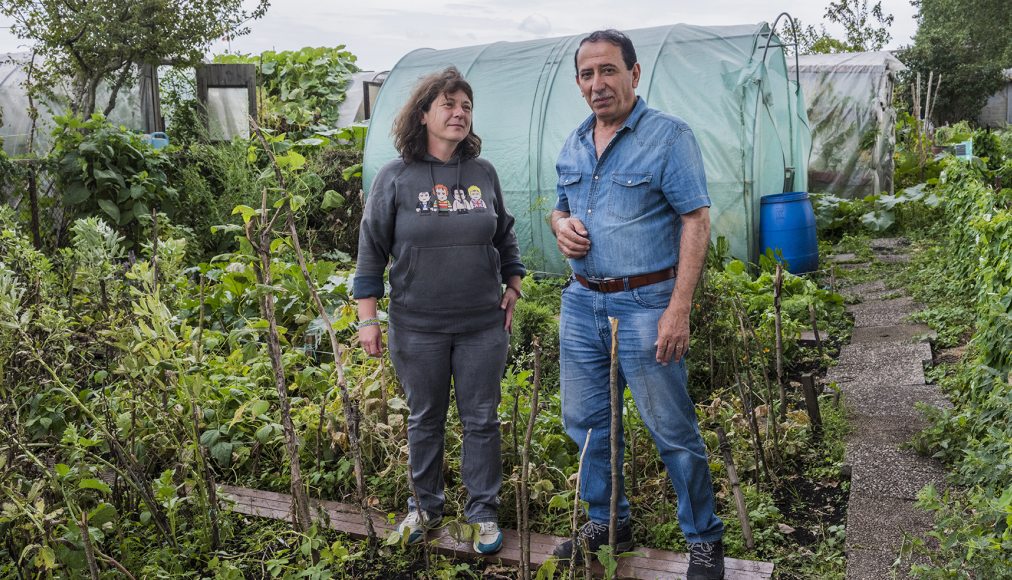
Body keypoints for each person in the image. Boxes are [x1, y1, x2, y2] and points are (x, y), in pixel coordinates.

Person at [550, 30, 726, 580]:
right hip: (582, 306)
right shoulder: (575, 142)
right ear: (578, 83)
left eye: (608, 70)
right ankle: (608, 523)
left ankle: (703, 539)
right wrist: (561, 226)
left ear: (634, 73)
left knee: (671, 430)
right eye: (587, 74)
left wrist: (679, 308)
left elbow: (695, 220)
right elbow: (560, 206)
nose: (597, 84)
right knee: (587, 426)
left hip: (647, 303)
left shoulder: (668, 137)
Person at [353, 66, 525, 555]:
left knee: (481, 418)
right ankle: (425, 507)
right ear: (424, 114)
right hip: (418, 325)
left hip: (480, 325)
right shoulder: (396, 178)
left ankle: (482, 513)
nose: (459, 113)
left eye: (466, 106)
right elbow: (371, 250)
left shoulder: (482, 173)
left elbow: (504, 232)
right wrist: (369, 317)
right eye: (448, 104)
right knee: (425, 419)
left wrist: (512, 282)